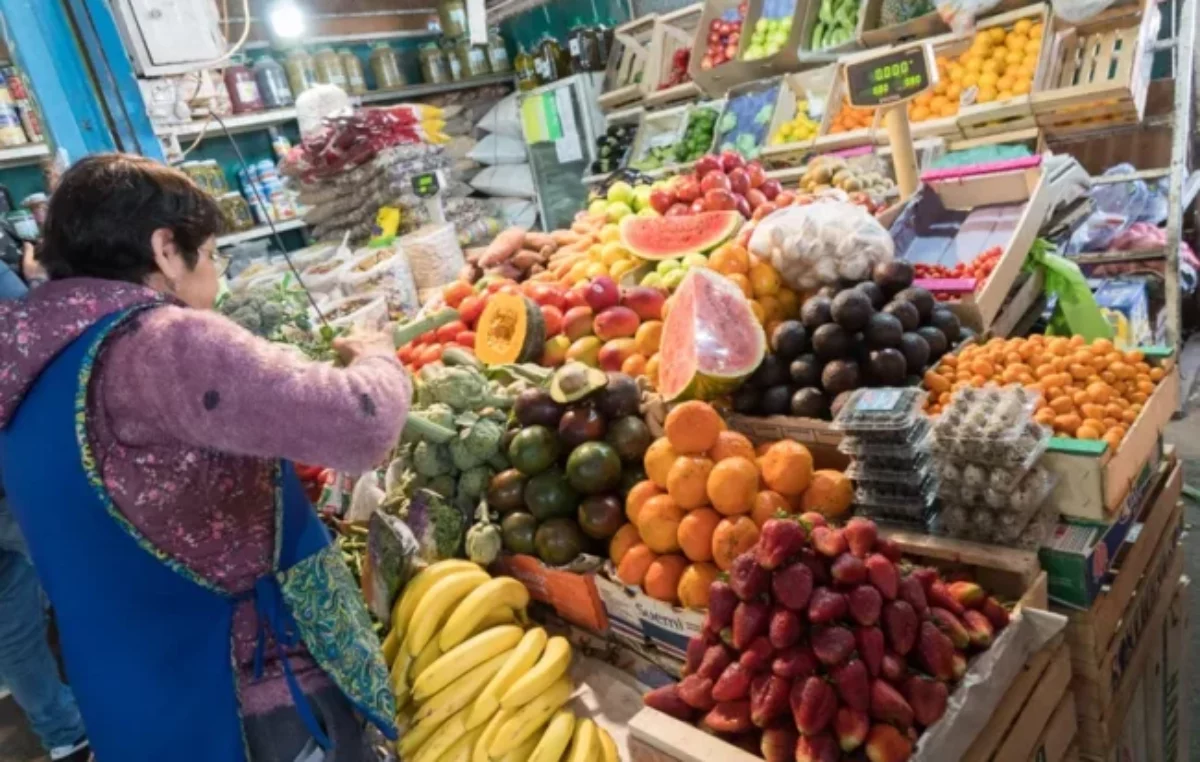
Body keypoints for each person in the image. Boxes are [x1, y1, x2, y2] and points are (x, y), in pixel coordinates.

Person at [0, 154, 411, 762]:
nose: (215, 272)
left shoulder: (31, 356)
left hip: (135, 701)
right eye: (213, 253)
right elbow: (360, 424)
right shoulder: (163, 345)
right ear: (166, 249)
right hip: (251, 692)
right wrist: (379, 358)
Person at [0, 256, 90, 762]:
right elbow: (34, 339)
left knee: (9, 622)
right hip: (15, 478)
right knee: (94, 585)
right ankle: (136, 704)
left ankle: (63, 734)